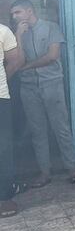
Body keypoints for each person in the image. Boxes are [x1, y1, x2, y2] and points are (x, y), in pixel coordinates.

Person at [10, 0, 75, 186]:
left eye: (18, 12)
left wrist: (27, 66)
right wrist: (18, 36)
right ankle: (44, 172)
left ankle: (73, 168)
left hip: (51, 84)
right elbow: (16, 59)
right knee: (37, 130)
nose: (14, 16)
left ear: (29, 11)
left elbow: (52, 55)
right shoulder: (18, 34)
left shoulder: (51, 27)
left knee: (60, 127)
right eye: (13, 14)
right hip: (28, 87)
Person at [1, 22, 24, 217]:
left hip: (0, 97)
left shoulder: (3, 31)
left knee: (3, 148)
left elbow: (15, 61)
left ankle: (4, 197)